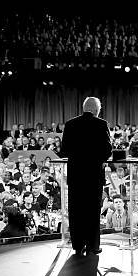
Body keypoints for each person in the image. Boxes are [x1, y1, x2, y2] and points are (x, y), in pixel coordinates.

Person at [60, 97, 112, 257]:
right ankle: (92, 246)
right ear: (97, 110)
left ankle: (77, 245)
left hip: (76, 176)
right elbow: (107, 151)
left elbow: (64, 151)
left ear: (84, 108)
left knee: (76, 211)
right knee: (92, 211)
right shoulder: (101, 124)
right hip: (94, 176)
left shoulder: (70, 124)